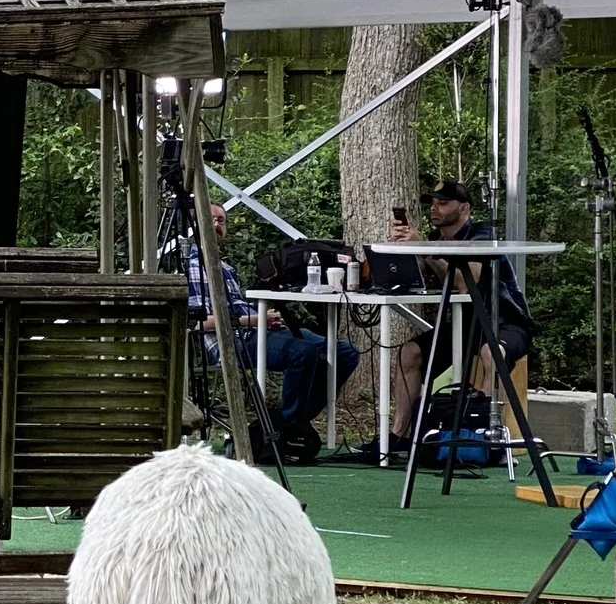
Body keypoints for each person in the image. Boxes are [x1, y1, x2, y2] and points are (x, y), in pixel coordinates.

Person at [186, 203, 360, 460]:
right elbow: (199, 324)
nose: (216, 225)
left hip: (258, 330)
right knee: (303, 351)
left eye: (221, 220)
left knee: (345, 352)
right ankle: (288, 424)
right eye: (210, 219)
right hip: (231, 342)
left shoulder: (226, 268)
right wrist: (256, 320)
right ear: (195, 224)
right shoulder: (192, 266)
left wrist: (268, 317)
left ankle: (287, 421)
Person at [378, 179, 534, 452]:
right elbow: (423, 277)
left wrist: (424, 248)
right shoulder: (438, 240)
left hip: (505, 321)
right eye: (433, 203)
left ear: (464, 208)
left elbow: (465, 283)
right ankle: (400, 436)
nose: (434, 209)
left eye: (443, 203)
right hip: (465, 325)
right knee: (408, 352)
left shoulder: (483, 235)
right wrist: (405, 252)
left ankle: (480, 435)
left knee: (491, 352)